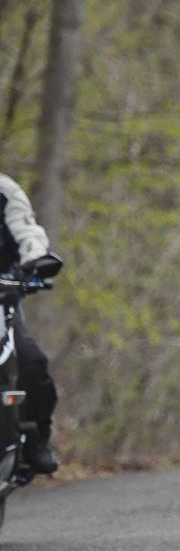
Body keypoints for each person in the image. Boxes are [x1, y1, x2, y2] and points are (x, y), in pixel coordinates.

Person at [0, 173, 59, 475]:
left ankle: (35, 439)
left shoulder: (4, 190)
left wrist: (35, 260)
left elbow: (27, 231)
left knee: (31, 363)